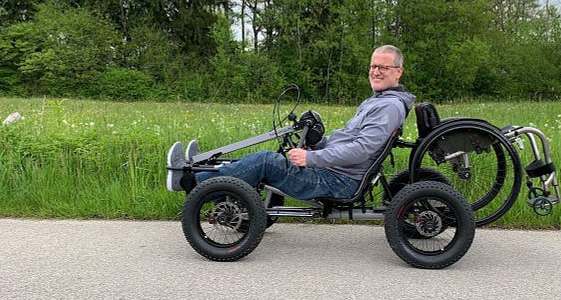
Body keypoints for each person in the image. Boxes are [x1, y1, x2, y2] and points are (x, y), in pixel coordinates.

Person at [167, 45, 415, 200]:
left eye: (383, 67)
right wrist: (319, 144)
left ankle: (190, 182)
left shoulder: (388, 106)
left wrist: (311, 159)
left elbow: (362, 150)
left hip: (339, 182)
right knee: (267, 160)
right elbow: (349, 140)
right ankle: (207, 173)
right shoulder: (378, 101)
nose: (376, 71)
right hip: (334, 172)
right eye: (373, 66)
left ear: (398, 71)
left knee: (265, 161)